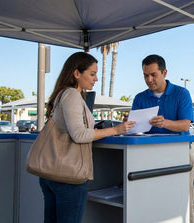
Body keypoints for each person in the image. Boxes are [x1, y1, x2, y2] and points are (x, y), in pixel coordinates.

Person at [41, 52, 135, 223]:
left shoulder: (62, 94)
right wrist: (116, 130)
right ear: (76, 73)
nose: (96, 79)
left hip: (51, 174)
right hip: (68, 176)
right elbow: (79, 134)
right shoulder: (72, 95)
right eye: (92, 74)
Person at [131, 54, 194, 222]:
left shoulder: (182, 93)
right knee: (154, 202)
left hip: (179, 156)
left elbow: (185, 125)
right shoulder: (140, 98)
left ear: (164, 72)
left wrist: (165, 123)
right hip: (149, 158)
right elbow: (136, 129)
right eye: (145, 75)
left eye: (153, 75)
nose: (149, 79)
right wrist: (129, 124)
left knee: (183, 201)